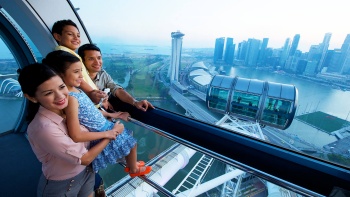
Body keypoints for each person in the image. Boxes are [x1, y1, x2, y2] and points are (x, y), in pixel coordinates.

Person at [43, 50, 152, 178]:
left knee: (129, 141)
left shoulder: (76, 90)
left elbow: (89, 112)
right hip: (101, 132)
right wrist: (109, 133)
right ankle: (133, 169)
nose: (81, 77)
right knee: (132, 144)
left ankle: (131, 163)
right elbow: (76, 135)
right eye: (76, 72)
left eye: (81, 72)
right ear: (59, 75)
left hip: (105, 126)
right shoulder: (71, 99)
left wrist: (112, 115)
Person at [18, 63, 120, 197]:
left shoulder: (68, 109)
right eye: (49, 93)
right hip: (62, 184)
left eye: (61, 87)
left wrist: (111, 116)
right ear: (32, 97)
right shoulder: (44, 128)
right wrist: (112, 133)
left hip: (87, 172)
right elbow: (84, 158)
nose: (60, 96)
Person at [77, 43, 154, 114]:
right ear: (82, 61)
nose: (97, 62)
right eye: (91, 59)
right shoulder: (77, 78)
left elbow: (116, 89)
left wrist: (135, 102)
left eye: (99, 58)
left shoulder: (102, 73)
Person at [51, 19, 105, 105]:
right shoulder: (64, 55)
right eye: (70, 34)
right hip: (91, 99)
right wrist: (92, 93)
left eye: (78, 35)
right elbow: (79, 80)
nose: (76, 38)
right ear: (58, 37)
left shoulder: (70, 54)